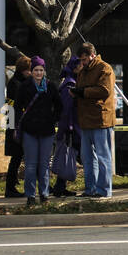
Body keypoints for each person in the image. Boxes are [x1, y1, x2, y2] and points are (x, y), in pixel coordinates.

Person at [15, 57, 61, 206]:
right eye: (36, 70)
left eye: (41, 70)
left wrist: (52, 119)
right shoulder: (24, 86)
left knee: (44, 165)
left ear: (44, 71)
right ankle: (30, 195)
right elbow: (16, 107)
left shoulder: (51, 86)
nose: (39, 73)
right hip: (30, 131)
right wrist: (20, 124)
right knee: (30, 165)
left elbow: (59, 106)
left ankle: (44, 194)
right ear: (31, 71)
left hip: (47, 131)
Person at [74, 42, 116, 198]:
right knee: (87, 158)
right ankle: (91, 189)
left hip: (101, 120)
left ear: (92, 55)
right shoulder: (82, 71)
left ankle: (104, 190)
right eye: (81, 60)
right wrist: (76, 92)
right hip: (86, 120)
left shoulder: (105, 69)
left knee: (103, 157)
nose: (82, 62)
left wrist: (82, 92)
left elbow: (105, 90)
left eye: (84, 59)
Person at [50, 60, 81, 197]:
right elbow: (66, 109)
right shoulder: (70, 85)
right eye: (80, 65)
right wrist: (67, 128)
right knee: (79, 156)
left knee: (67, 156)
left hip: (71, 127)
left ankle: (59, 187)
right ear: (74, 68)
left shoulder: (68, 82)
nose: (82, 68)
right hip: (71, 128)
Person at [3, 56, 32, 198]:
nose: (30, 73)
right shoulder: (17, 84)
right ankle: (10, 188)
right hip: (16, 124)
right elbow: (15, 106)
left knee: (18, 157)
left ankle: (12, 185)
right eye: (28, 70)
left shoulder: (15, 82)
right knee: (17, 157)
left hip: (14, 123)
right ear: (23, 70)